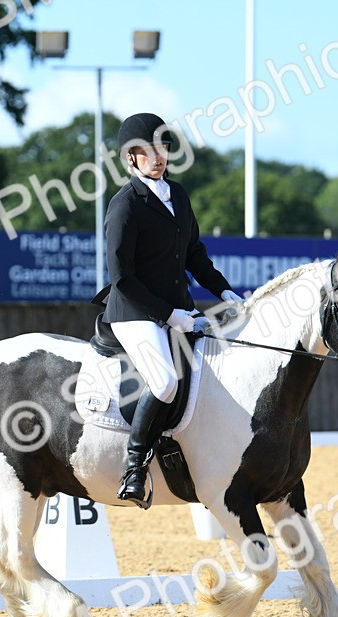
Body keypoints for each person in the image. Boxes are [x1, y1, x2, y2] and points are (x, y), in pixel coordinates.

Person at [91, 112, 242, 508]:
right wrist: (169, 315)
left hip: (179, 309)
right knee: (164, 382)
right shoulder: (125, 205)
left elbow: (193, 253)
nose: (158, 157)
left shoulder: (177, 194)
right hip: (134, 313)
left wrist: (224, 290)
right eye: (147, 151)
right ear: (131, 159)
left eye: (163, 148)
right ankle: (135, 467)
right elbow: (122, 277)